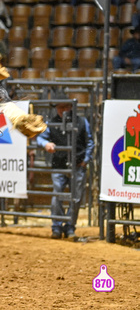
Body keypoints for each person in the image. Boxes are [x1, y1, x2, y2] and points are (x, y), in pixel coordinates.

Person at [36, 92, 94, 240]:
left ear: (71, 107)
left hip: (78, 165)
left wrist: (85, 159)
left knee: (76, 198)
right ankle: (57, 227)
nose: (61, 110)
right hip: (59, 165)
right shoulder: (51, 123)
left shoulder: (81, 122)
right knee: (58, 196)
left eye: (64, 106)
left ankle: (69, 227)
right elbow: (41, 138)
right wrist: (46, 143)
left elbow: (90, 142)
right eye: (59, 107)